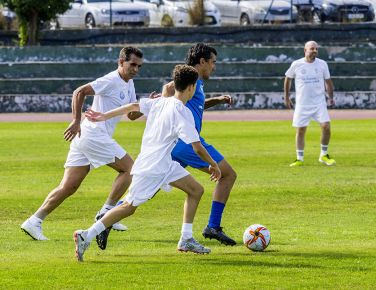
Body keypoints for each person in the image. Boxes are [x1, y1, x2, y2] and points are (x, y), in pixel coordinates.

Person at [73, 64, 221, 262]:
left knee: (196, 190)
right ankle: (87, 235)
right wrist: (214, 164)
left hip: (164, 164)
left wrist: (103, 116)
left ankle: (186, 239)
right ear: (192, 88)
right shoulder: (182, 112)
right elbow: (197, 147)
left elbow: (133, 107)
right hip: (153, 168)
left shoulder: (161, 102)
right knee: (128, 206)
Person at [21, 46, 145, 241]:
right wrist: (76, 120)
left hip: (88, 137)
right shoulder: (111, 79)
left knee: (68, 186)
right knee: (130, 169)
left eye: (139, 66)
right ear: (121, 62)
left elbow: (130, 115)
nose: (136, 69)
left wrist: (147, 105)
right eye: (132, 65)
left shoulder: (129, 83)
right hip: (93, 134)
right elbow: (80, 92)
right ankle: (107, 212)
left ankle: (34, 221)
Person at [163, 43, 237, 246]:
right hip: (189, 142)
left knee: (149, 184)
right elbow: (169, 89)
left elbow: (195, 104)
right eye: (213, 62)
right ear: (202, 61)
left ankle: (108, 216)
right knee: (228, 174)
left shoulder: (196, 83)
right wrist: (162, 102)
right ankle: (213, 226)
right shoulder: (191, 77)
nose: (214, 67)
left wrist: (218, 100)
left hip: (178, 144)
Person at [284, 40, 336, 167]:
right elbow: (287, 79)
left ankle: (323, 155)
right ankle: (299, 158)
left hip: (319, 103)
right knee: (301, 130)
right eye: (312, 48)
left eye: (316, 49)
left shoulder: (322, 64)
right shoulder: (297, 64)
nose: (315, 51)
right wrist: (286, 97)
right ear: (305, 50)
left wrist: (331, 97)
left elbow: (328, 82)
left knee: (326, 126)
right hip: (302, 104)